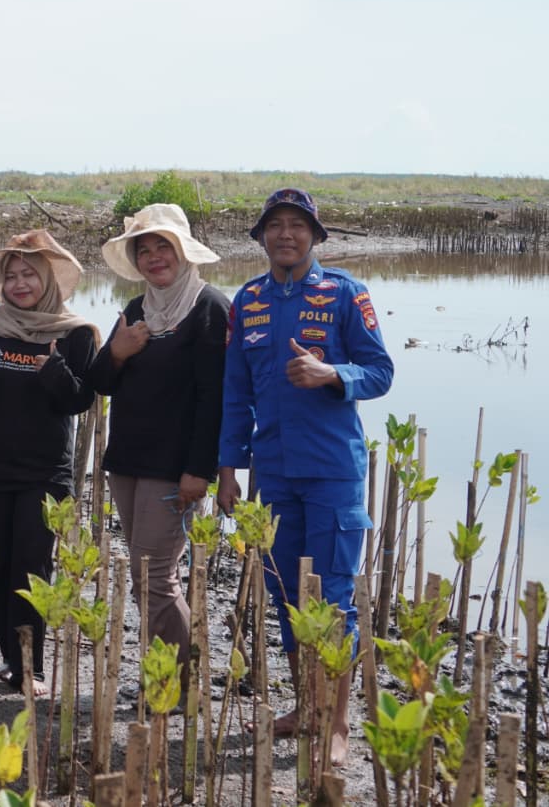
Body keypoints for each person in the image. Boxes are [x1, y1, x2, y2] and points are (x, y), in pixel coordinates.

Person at [216, 188, 393, 766]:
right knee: (287, 595)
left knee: (333, 600)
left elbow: (380, 371)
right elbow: (236, 393)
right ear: (261, 237)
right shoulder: (248, 302)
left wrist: (330, 373)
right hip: (273, 474)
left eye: (297, 226)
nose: (285, 234)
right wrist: (227, 468)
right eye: (275, 225)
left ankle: (338, 722)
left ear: (316, 236)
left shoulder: (345, 293)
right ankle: (307, 705)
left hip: (334, 473)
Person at [0, 230, 98, 695]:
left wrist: (55, 372)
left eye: (28, 274)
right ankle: (10, 662)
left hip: (44, 472)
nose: (19, 283)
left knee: (32, 570)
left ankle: (31, 668)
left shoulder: (75, 333)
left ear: (49, 279)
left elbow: (80, 402)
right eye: (10, 275)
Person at [89, 203, 229, 670]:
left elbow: (215, 399)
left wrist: (199, 470)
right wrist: (118, 353)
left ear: (183, 251)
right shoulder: (136, 309)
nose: (153, 257)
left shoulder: (210, 309)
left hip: (174, 470)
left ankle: (179, 678)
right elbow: (100, 382)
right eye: (143, 250)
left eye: (162, 246)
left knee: (154, 578)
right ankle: (168, 674)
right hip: (127, 463)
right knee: (144, 575)